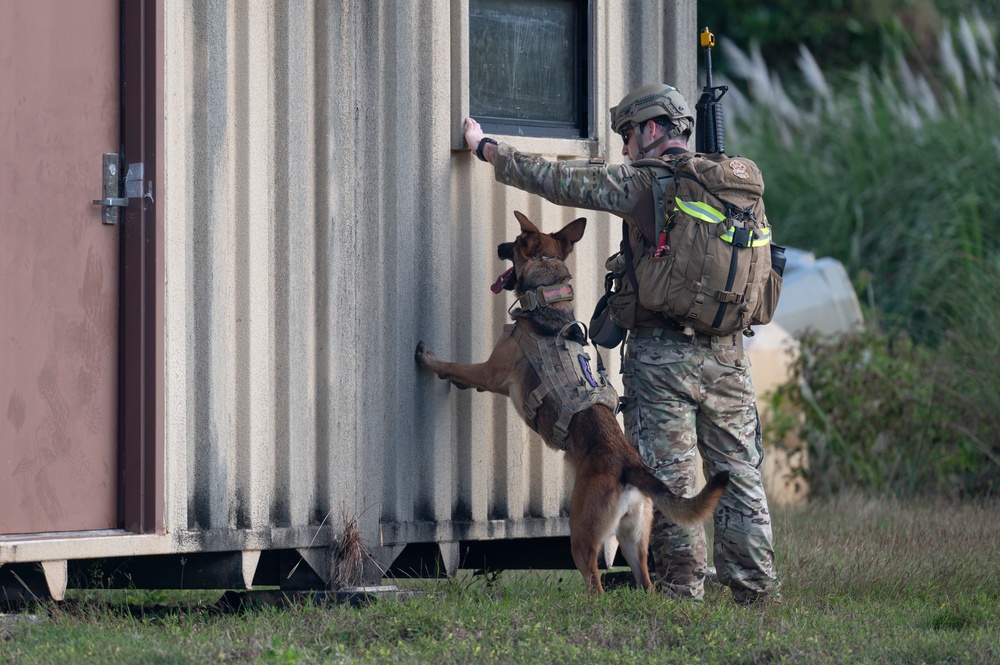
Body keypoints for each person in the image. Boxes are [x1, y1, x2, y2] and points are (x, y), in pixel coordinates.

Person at [463, 83, 780, 606]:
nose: (626, 147)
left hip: (663, 359)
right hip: (728, 354)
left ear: (653, 130)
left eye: (629, 135)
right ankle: (755, 591)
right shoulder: (733, 184)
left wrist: (487, 147)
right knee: (740, 472)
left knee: (669, 475)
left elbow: (562, 183)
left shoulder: (647, 184)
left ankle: (680, 591)